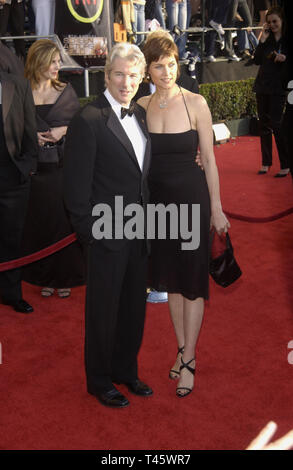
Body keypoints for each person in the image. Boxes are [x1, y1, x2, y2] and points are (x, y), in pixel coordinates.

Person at [138, 30, 230, 397]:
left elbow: (208, 158)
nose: (166, 72)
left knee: (192, 284)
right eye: (158, 67)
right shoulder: (140, 107)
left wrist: (217, 207)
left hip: (192, 202)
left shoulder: (196, 103)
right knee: (171, 283)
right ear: (147, 70)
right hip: (157, 207)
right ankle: (181, 349)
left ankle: (189, 359)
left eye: (171, 65)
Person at [63, 42, 153, 408]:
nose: (126, 82)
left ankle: (125, 371)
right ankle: (99, 380)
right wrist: (91, 237)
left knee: (134, 307)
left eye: (133, 75)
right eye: (119, 74)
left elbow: (142, 174)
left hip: (139, 232)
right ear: (106, 75)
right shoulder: (88, 120)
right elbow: (75, 189)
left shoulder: (141, 116)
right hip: (105, 236)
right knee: (102, 311)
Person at [22, 39, 85, 298]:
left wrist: (63, 130)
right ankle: (44, 276)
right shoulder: (22, 92)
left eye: (59, 61)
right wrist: (29, 135)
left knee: (62, 224)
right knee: (41, 223)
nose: (58, 65)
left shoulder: (66, 91)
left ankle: (64, 276)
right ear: (39, 62)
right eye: (53, 61)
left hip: (61, 169)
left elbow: (83, 127)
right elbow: (11, 126)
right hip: (34, 173)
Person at [0, 63, 38, 313]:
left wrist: (26, 166)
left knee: (12, 239)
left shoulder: (19, 84)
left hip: (12, 177)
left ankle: (12, 294)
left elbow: (29, 131)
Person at [253, 6, 290, 177]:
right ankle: (266, 162)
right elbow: (256, 60)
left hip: (279, 87)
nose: (272, 24)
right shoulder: (266, 40)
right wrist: (262, 38)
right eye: (269, 22)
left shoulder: (287, 41)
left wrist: (285, 59)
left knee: (277, 125)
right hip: (262, 85)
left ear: (282, 21)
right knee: (264, 126)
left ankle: (285, 163)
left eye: (275, 21)